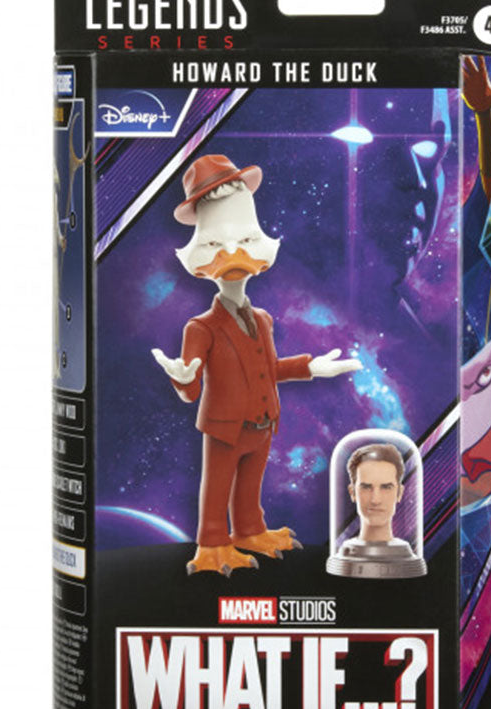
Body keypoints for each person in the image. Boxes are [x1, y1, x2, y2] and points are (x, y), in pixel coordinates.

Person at [152, 153, 361, 577]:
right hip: (225, 426)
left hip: (263, 422)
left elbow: (269, 368)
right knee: (217, 487)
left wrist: (310, 367)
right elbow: (191, 388)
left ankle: (249, 530)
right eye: (217, 244)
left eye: (244, 240)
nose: (233, 254)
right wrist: (183, 381)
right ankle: (212, 543)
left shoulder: (263, 319)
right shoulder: (200, 327)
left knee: (250, 485)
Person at [326, 442, 426, 579]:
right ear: (352, 492)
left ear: (399, 493)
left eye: (386, 487)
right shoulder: (345, 553)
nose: (375, 499)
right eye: (366, 487)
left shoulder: (405, 554)